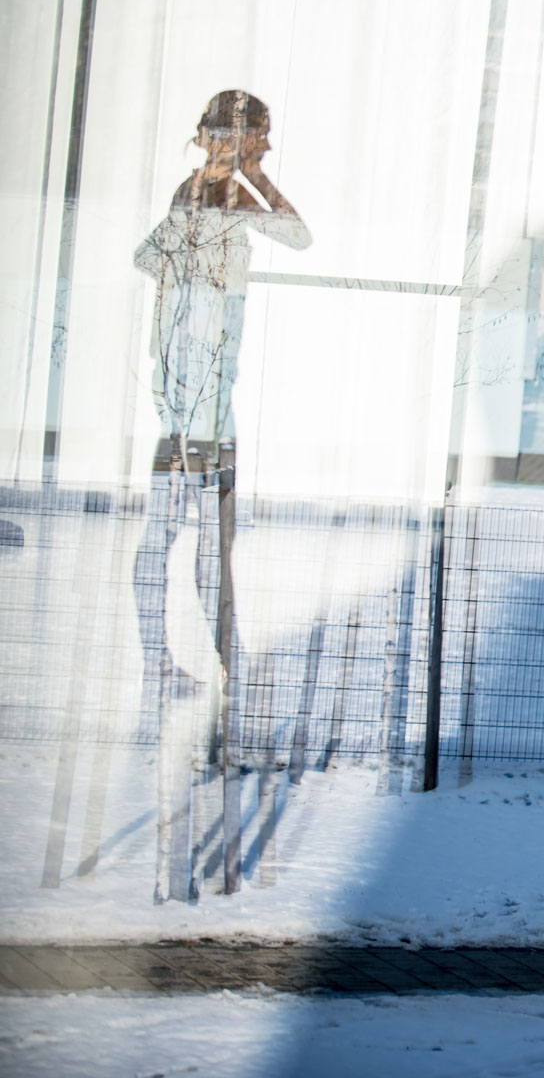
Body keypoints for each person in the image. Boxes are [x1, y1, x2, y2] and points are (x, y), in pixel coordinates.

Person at [132, 90, 310, 713]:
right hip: (198, 409)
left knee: (181, 537)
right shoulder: (211, 198)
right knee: (202, 541)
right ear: (232, 137)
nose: (265, 147)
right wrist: (255, 179)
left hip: (196, 403)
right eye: (259, 137)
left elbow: (152, 263)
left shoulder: (201, 194)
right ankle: (223, 671)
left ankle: (182, 665)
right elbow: (298, 235)